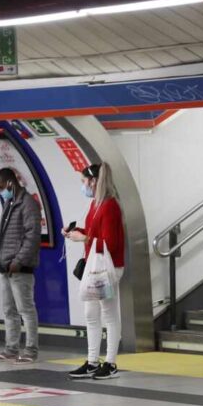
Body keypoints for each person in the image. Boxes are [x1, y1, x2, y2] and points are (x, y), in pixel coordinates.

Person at [64, 162, 125, 379]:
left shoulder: (110, 206)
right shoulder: (96, 204)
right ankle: (92, 361)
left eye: (84, 181)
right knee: (91, 314)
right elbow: (93, 232)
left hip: (108, 268)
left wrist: (86, 238)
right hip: (94, 267)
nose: (83, 186)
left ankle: (110, 362)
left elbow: (113, 242)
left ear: (93, 181)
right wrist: (76, 232)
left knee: (109, 314)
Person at [0, 168, 41, 364]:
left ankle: (31, 350)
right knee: (9, 310)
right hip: (6, 266)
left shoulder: (28, 204)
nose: (0, 191)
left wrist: (19, 260)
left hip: (19, 268)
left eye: (0, 187)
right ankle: (11, 348)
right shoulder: (9, 203)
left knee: (26, 309)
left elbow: (32, 237)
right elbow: (11, 237)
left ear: (10, 183)